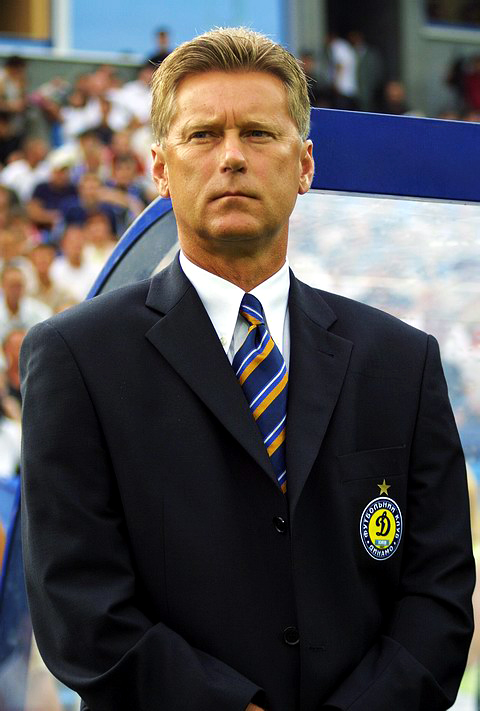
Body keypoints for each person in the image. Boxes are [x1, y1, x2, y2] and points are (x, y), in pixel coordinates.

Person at [20, 27, 474, 711]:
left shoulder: (401, 362)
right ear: (160, 169)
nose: (231, 156)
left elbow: (439, 594)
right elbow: (79, 609)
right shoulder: (75, 357)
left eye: (259, 134)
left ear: (305, 165)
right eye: (203, 135)